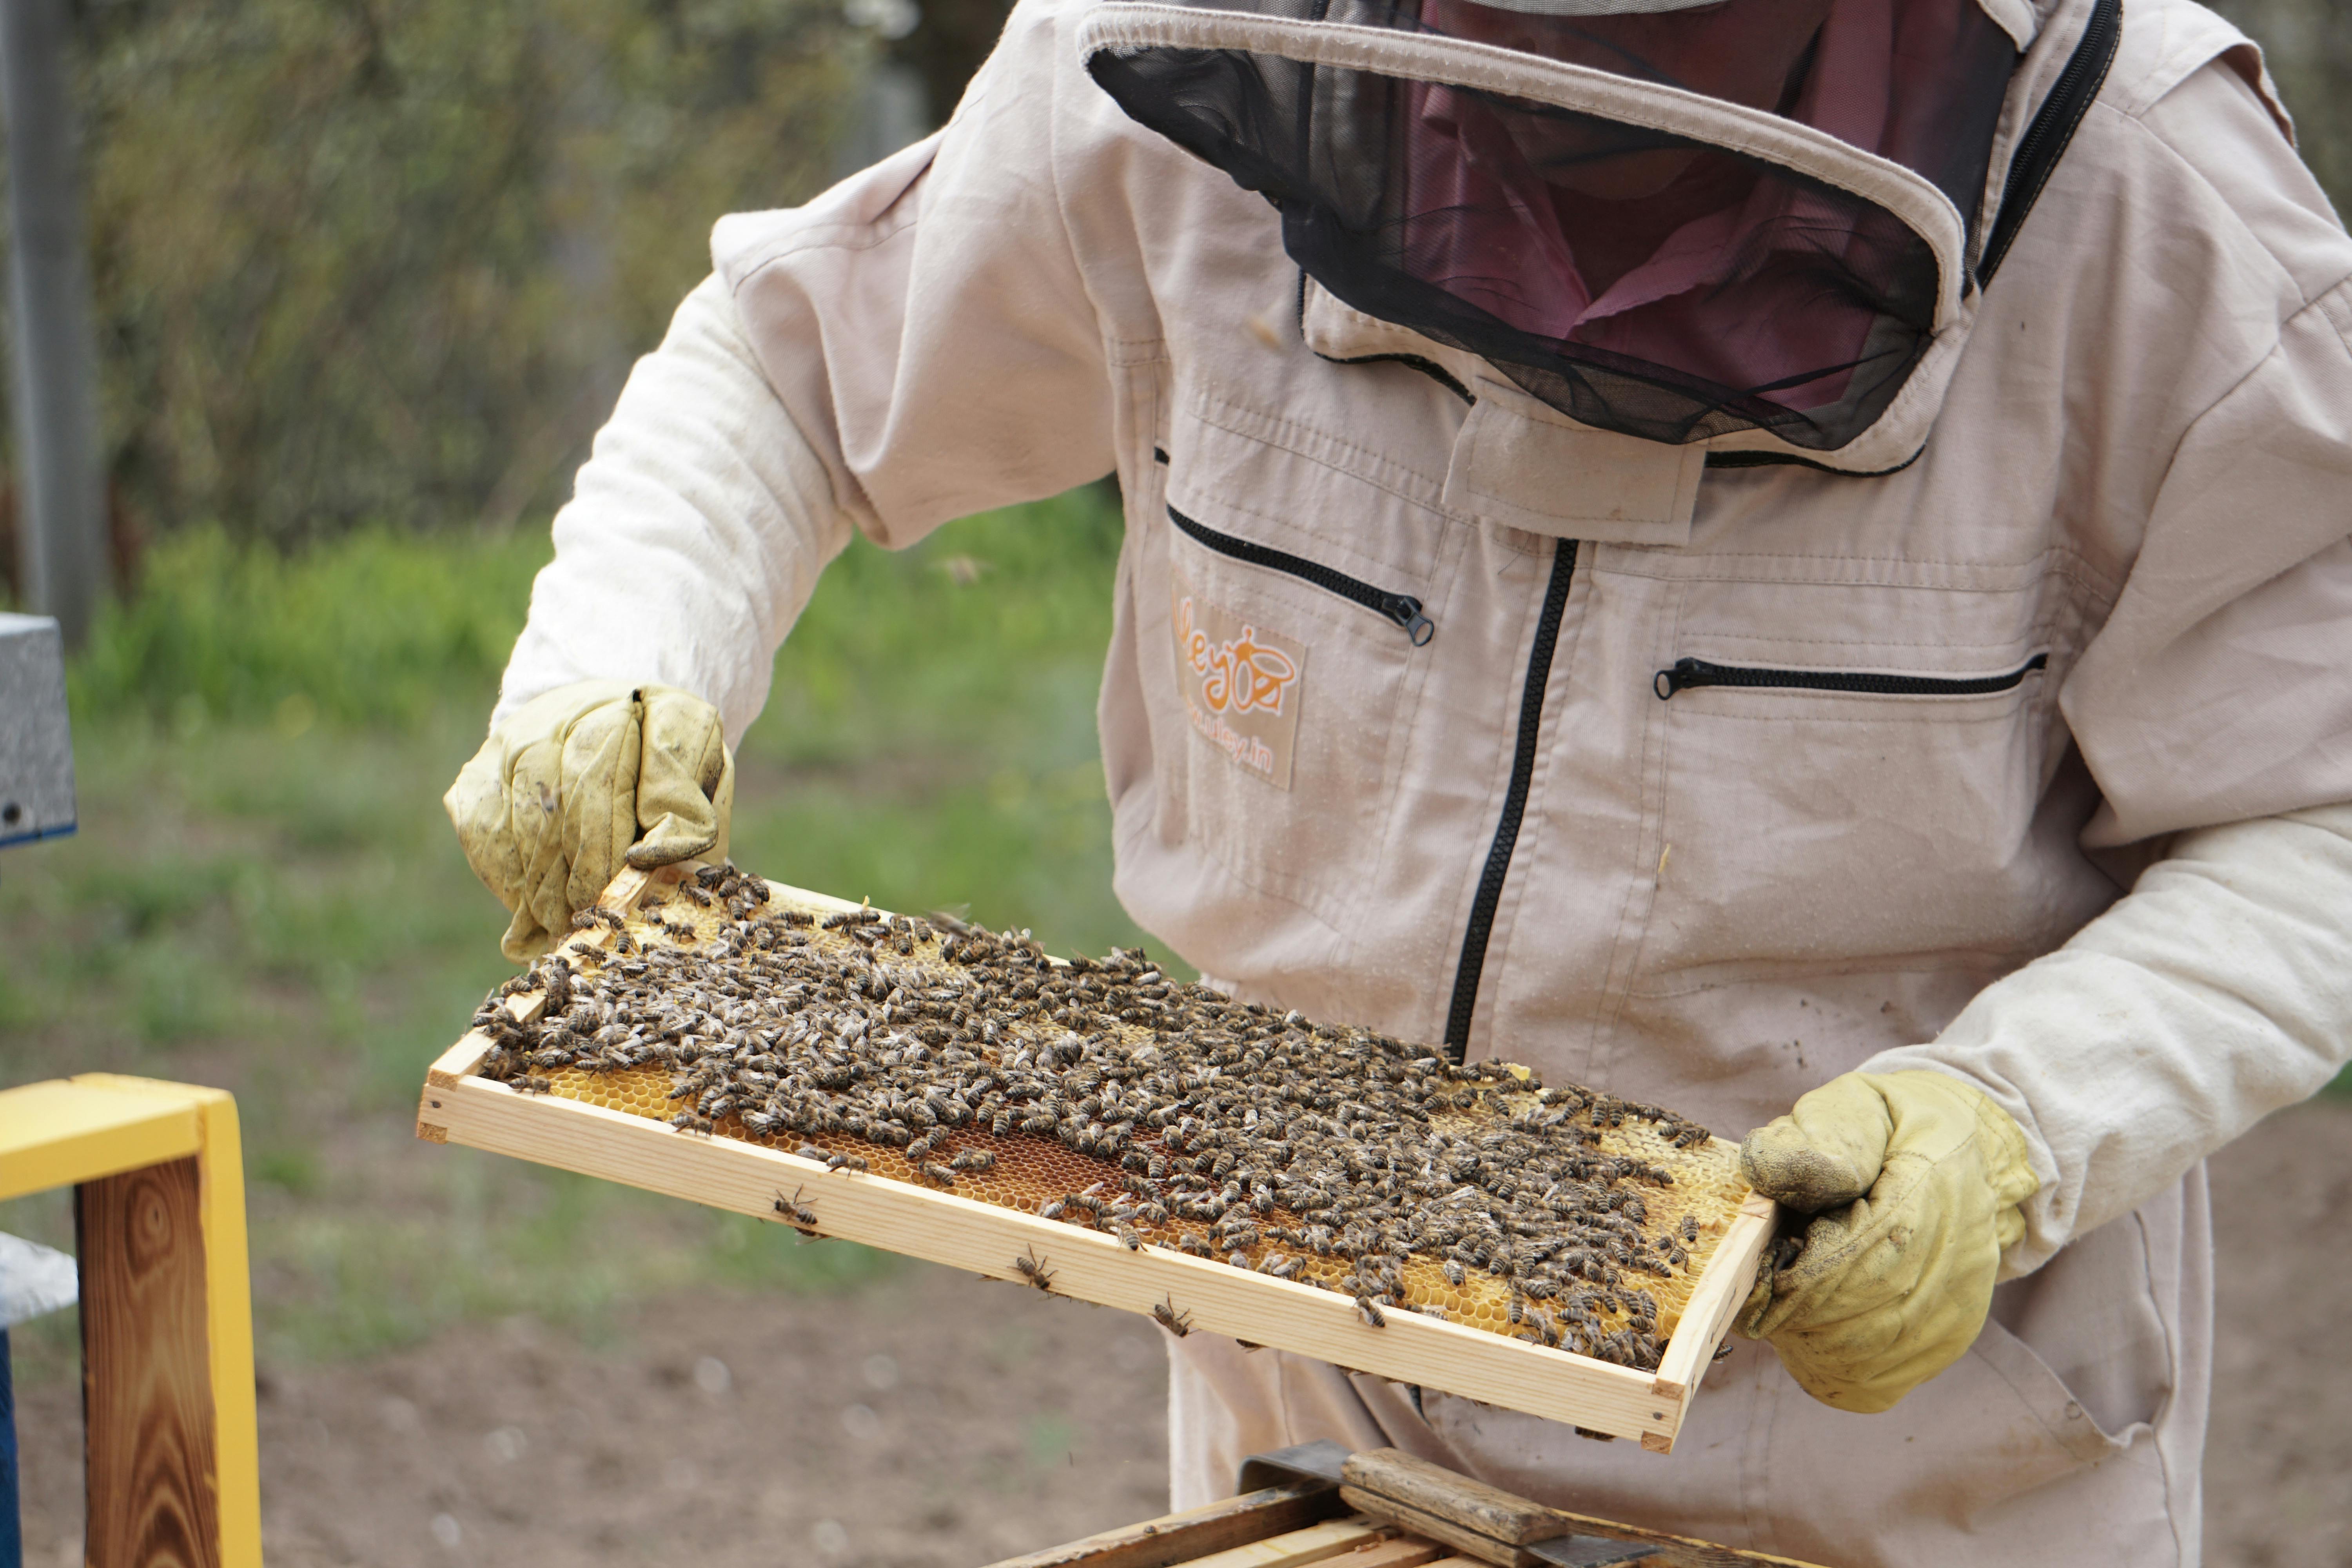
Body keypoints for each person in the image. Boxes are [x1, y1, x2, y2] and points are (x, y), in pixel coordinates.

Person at [443, 0, 2352, 1557]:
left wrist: (2021, 1121)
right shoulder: (1164, 67)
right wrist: (618, 660)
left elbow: (2321, 809)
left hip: (1891, 1488)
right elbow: (788, 368)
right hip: (1310, 1450)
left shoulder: (2166, 225)